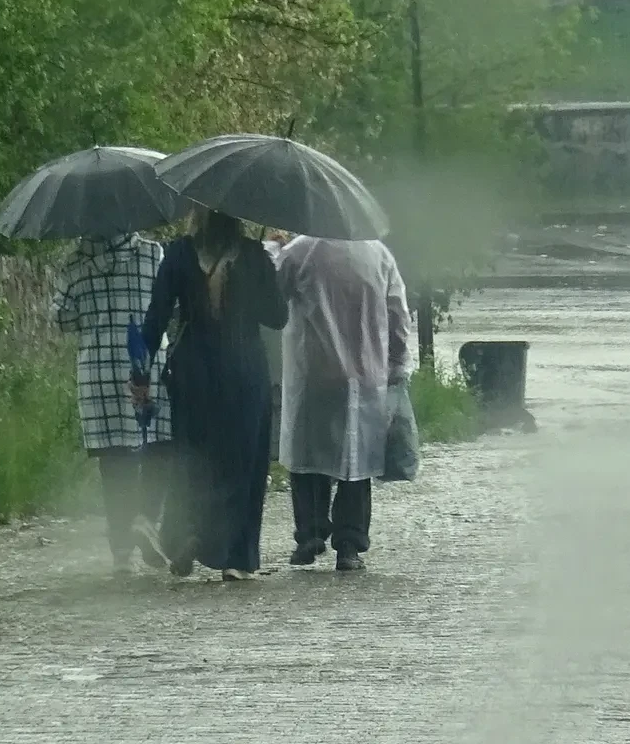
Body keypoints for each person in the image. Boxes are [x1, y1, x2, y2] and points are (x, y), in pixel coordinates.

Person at [133, 208, 288, 581]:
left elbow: (155, 317)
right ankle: (236, 556)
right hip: (244, 369)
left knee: (193, 458)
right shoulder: (253, 256)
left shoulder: (179, 254)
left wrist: (140, 375)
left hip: (192, 372)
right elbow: (278, 317)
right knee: (243, 461)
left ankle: (188, 532)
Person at [276, 236, 415, 572]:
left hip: (312, 371)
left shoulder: (298, 251)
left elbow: (270, 302)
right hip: (365, 374)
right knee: (357, 461)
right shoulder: (377, 253)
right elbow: (398, 312)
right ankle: (349, 544)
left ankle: (310, 532)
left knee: (307, 454)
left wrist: (271, 251)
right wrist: (397, 363)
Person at [53, 233, 172, 573]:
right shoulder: (153, 253)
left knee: (114, 458)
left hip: (98, 369)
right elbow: (169, 305)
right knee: (160, 445)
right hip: (147, 364)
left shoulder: (74, 262)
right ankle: (147, 518)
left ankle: (121, 551)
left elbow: (62, 319)